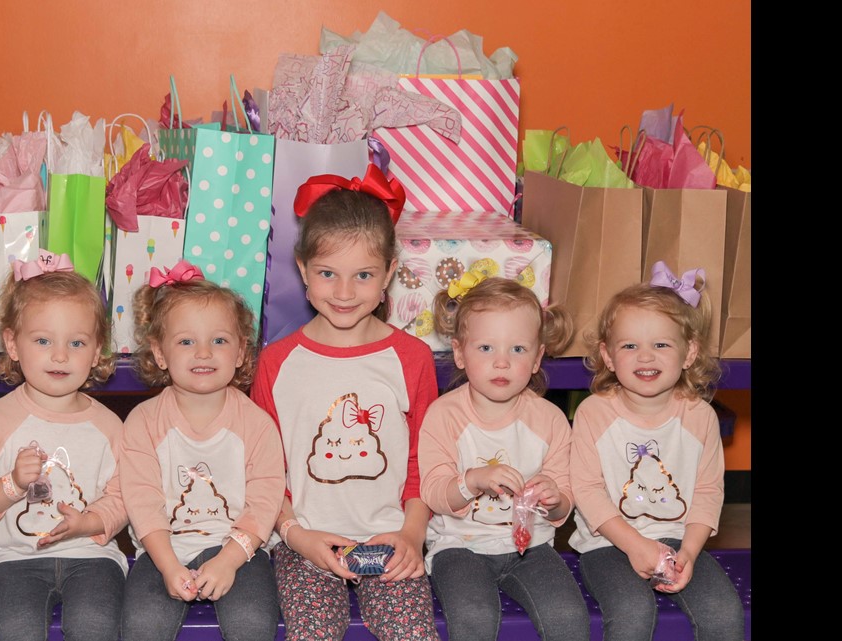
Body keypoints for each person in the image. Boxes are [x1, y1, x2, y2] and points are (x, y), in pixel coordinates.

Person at [250, 165, 441, 641]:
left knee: (413, 633)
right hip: (304, 543)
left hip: (391, 537)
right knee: (313, 632)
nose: (343, 292)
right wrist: (295, 534)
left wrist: (412, 535)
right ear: (302, 269)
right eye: (327, 273)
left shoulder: (412, 358)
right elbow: (264, 469)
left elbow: (424, 460)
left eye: (363, 275)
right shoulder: (276, 362)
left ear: (389, 273)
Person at [569, 261, 744, 641]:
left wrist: (690, 553)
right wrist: (636, 546)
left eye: (661, 345)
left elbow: (708, 491)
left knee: (724, 613)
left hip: (681, 541)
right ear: (608, 356)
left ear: (689, 352)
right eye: (630, 346)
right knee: (632, 611)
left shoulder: (700, 416)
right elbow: (586, 490)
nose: (645, 357)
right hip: (609, 544)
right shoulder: (594, 413)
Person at [0, 250, 128, 641]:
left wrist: (89, 522)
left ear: (97, 350)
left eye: (77, 342)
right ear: (12, 344)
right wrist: (13, 484)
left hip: (92, 556)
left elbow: (123, 496)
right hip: (13, 558)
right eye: (42, 340)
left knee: (95, 624)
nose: (60, 355)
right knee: (17, 628)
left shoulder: (109, 425)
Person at [118, 259, 285, 641]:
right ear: (160, 353)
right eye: (186, 342)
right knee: (142, 624)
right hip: (163, 549)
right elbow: (142, 503)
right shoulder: (143, 422)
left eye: (219, 340)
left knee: (251, 621)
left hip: (240, 550)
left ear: (240, 351)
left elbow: (264, 502)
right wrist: (167, 565)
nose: (204, 352)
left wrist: (228, 560)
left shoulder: (256, 424)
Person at [418, 276, 589, 641]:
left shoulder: (549, 419)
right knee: (475, 615)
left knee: (568, 616)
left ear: (537, 358)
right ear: (460, 353)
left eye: (517, 349)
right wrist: (472, 480)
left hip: (532, 546)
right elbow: (432, 492)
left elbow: (564, 506)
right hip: (458, 546)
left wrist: (555, 498)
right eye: (485, 348)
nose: (501, 362)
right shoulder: (444, 415)